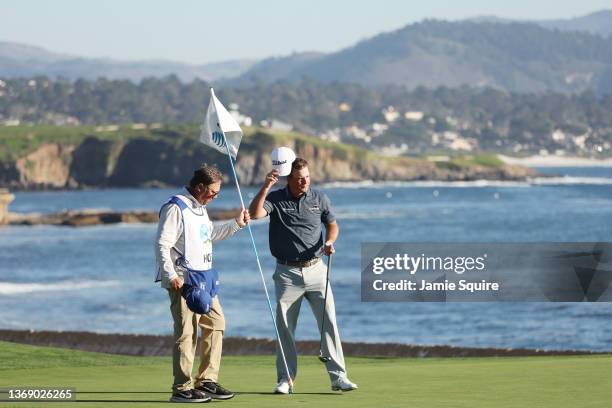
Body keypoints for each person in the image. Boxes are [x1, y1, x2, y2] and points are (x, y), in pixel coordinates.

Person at [249, 157, 358, 394]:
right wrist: (266, 186)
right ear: (289, 179)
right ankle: (285, 380)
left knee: (329, 322)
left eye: (307, 178)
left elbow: (333, 225)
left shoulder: (319, 198)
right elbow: (255, 214)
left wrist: (329, 241)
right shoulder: (276, 198)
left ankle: (339, 377)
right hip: (287, 273)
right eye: (299, 179)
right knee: (285, 327)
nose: (304, 182)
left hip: (317, 269)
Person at [155, 164, 249, 403]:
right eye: (213, 192)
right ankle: (182, 388)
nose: (215, 197)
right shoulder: (175, 207)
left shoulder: (200, 208)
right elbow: (162, 244)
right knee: (187, 333)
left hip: (205, 279)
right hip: (183, 281)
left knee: (216, 323)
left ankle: (206, 380)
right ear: (199, 187)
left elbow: (210, 236)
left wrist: (236, 224)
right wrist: (171, 276)